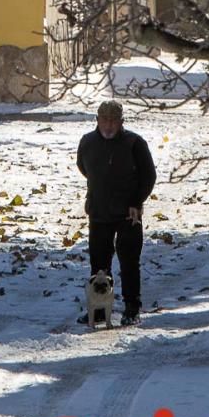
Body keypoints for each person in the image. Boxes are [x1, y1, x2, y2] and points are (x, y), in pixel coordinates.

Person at [76, 100, 156, 326]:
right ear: (97, 121)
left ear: (121, 122)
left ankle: (132, 308)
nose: (108, 125)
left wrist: (136, 200)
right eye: (104, 120)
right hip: (99, 211)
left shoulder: (134, 143)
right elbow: (84, 168)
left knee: (129, 262)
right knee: (99, 264)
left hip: (128, 213)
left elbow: (148, 176)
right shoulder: (88, 142)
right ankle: (99, 310)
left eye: (113, 121)